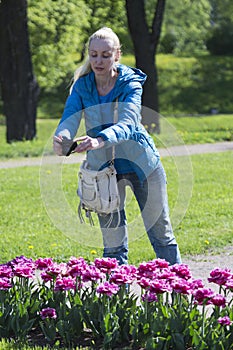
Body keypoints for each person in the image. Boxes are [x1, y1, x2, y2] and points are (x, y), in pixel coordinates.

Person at [53, 27, 182, 266]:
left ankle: (179, 293)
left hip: (143, 165)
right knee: (113, 247)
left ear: (117, 55)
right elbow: (70, 118)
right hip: (103, 172)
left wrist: (99, 139)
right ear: (88, 55)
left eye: (105, 54)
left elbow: (128, 122)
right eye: (93, 54)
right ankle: (116, 299)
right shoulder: (83, 86)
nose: (98, 61)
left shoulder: (130, 83)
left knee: (162, 235)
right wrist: (62, 137)